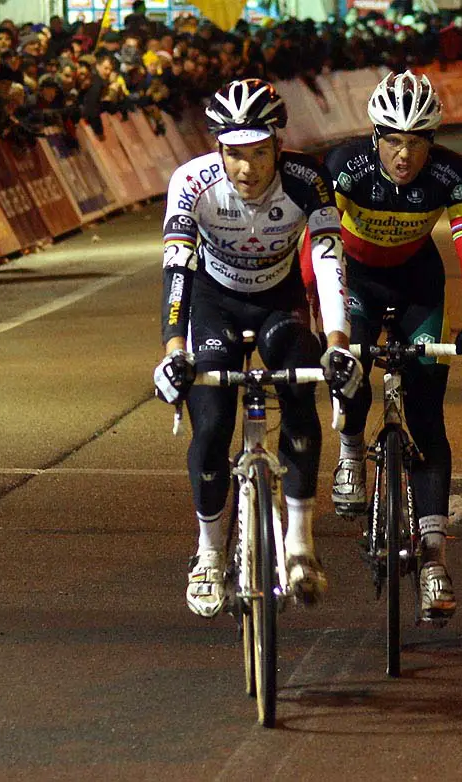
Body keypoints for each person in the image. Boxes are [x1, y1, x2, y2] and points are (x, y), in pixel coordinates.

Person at [153, 78, 362, 618]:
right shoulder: (191, 182)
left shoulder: (307, 179)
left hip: (279, 300)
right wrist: (174, 349)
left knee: (299, 388)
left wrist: (338, 343)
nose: (246, 170)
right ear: (218, 148)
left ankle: (300, 546)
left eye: (259, 154)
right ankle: (206, 554)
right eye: (234, 155)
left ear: (278, 144)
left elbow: (329, 259)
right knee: (213, 419)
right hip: (213, 301)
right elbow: (177, 268)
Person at [323, 70, 462, 622]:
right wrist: (324, 319)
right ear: (375, 138)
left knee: (426, 418)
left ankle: (435, 558)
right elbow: (318, 243)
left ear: (432, 141)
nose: (404, 154)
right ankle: (351, 447)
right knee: (349, 366)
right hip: (356, 281)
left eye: (416, 141)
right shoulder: (345, 165)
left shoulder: (451, 173)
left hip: (419, 282)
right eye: (393, 140)